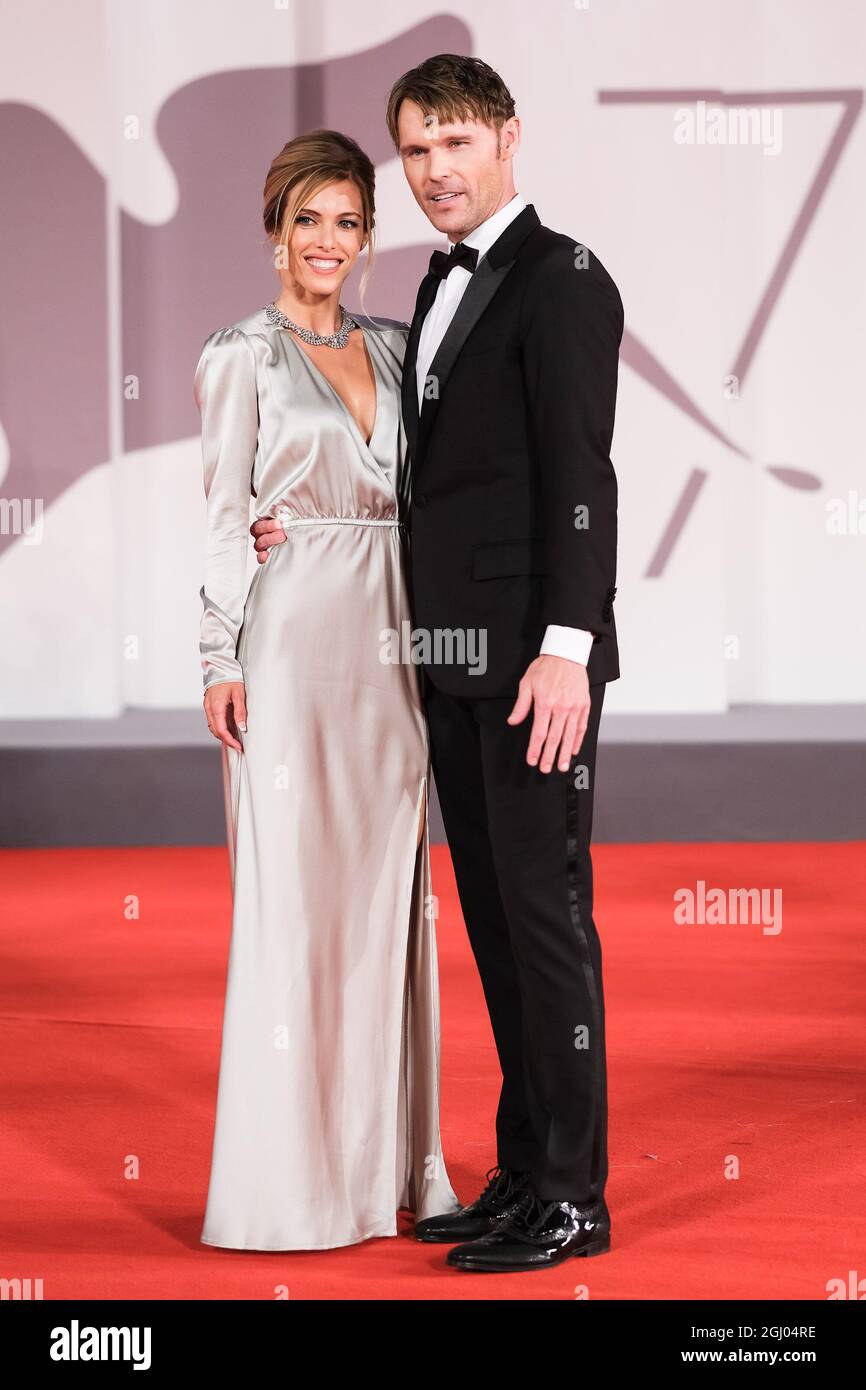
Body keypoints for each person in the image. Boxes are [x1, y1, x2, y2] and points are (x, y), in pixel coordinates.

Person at [253, 55, 624, 1272]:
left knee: (545, 920)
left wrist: (567, 649)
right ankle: (523, 1174)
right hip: (448, 665)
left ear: (508, 138)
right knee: (497, 927)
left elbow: (581, 479)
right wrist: (295, 522)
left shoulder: (560, 279)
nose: (433, 172)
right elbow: (416, 480)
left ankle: (572, 1196)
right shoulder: (430, 284)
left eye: (454, 143)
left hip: (532, 671)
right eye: (413, 151)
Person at [194, 128, 460, 1251]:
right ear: (274, 229)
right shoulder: (238, 354)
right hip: (292, 641)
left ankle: (394, 1167)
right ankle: (291, 1182)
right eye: (309, 218)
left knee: (388, 903)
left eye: (349, 221)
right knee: (293, 906)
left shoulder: (400, 349)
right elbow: (218, 513)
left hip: (391, 641)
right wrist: (218, 655)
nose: (329, 241)